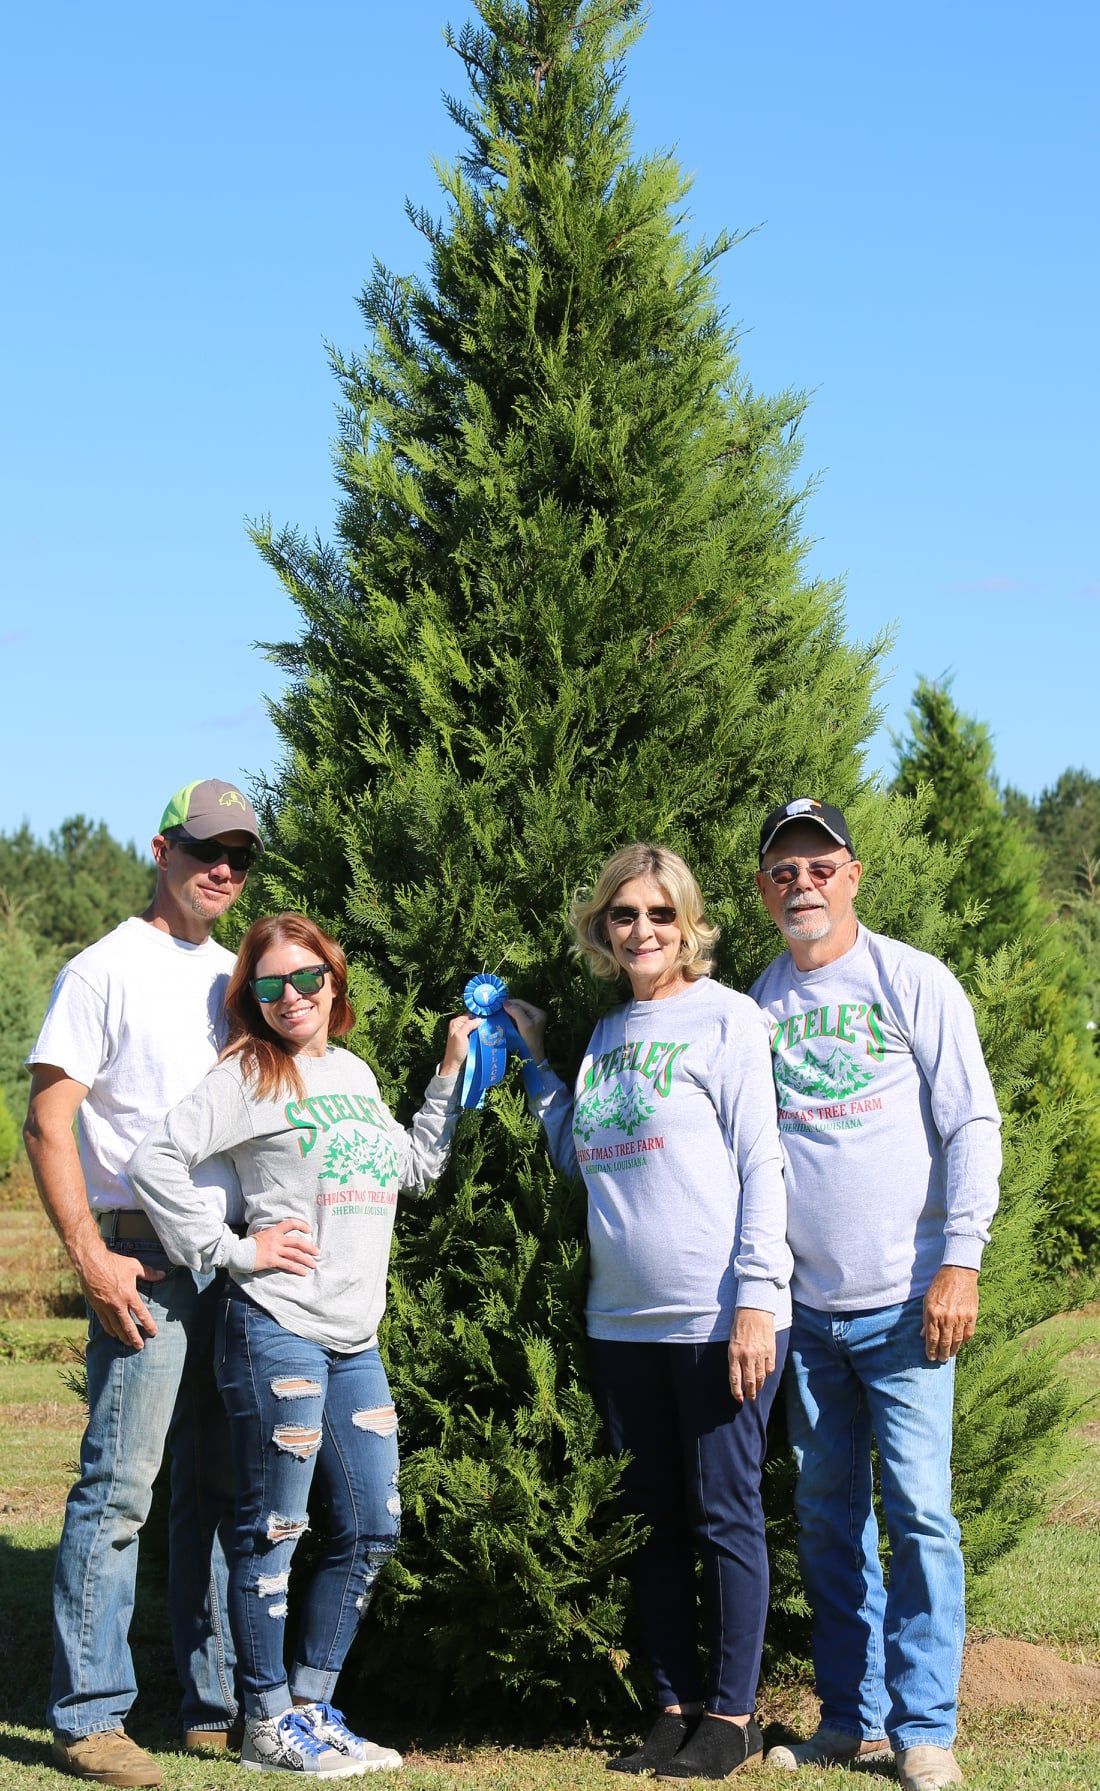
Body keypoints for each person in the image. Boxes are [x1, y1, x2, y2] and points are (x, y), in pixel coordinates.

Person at [129, 913, 476, 1778]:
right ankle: (264, 1718)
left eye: (308, 978)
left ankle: (313, 1708)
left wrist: (448, 1072)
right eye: (271, 984)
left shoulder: (353, 1072)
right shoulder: (250, 1070)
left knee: (371, 1527)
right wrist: (233, 1249)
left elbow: (414, 1170)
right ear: (252, 996)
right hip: (276, 1327)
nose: (293, 997)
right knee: (274, 1527)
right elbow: (156, 1160)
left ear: (334, 981)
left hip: (355, 1340)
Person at [505, 843, 791, 1783]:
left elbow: (762, 1162)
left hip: (719, 1319)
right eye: (625, 915)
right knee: (653, 1520)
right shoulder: (607, 1036)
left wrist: (757, 1299)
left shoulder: (729, 1019)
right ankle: (670, 1707)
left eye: (661, 915)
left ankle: (731, 1715)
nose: (643, 930)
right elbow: (576, 1153)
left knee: (725, 1514)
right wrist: (541, 1064)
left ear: (690, 925)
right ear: (602, 929)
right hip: (620, 1321)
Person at [749, 798, 1002, 1791]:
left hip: (907, 1306)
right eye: (781, 871)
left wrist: (961, 1260)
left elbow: (969, 1121)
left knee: (919, 1514)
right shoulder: (757, 1005)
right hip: (807, 1318)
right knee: (824, 1518)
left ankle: (924, 1726)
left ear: (851, 873)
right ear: (764, 890)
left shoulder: (910, 980)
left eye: (817, 866)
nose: (800, 884)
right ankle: (844, 1720)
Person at [24, 778, 263, 1787]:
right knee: (119, 1490)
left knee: (215, 1488)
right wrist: (91, 1257)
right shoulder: (102, 970)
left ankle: (209, 1708)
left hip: (234, 1259)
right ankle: (90, 1718)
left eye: (240, 856)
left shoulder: (239, 974)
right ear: (160, 849)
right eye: (206, 849)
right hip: (145, 1260)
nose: (222, 869)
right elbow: (48, 1119)